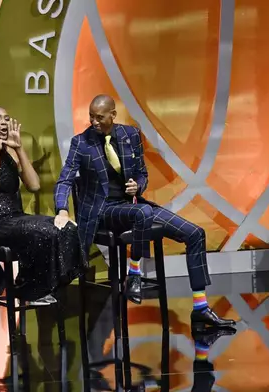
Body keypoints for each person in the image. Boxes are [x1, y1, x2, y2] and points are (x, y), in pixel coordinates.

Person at [54, 95, 235, 329]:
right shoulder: (82, 142)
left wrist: (137, 185)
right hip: (103, 211)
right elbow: (65, 179)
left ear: (113, 115)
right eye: (91, 117)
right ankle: (135, 273)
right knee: (143, 214)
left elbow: (142, 174)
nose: (94, 122)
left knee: (195, 233)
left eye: (99, 117)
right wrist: (61, 209)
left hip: (132, 206)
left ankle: (200, 307)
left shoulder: (130, 136)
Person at [0, 107, 86, 306]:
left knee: (66, 227)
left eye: (6, 118)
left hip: (16, 217)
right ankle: (29, 289)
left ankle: (40, 285)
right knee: (41, 231)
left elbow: (34, 185)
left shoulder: (13, 154)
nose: (4, 123)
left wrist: (20, 149)